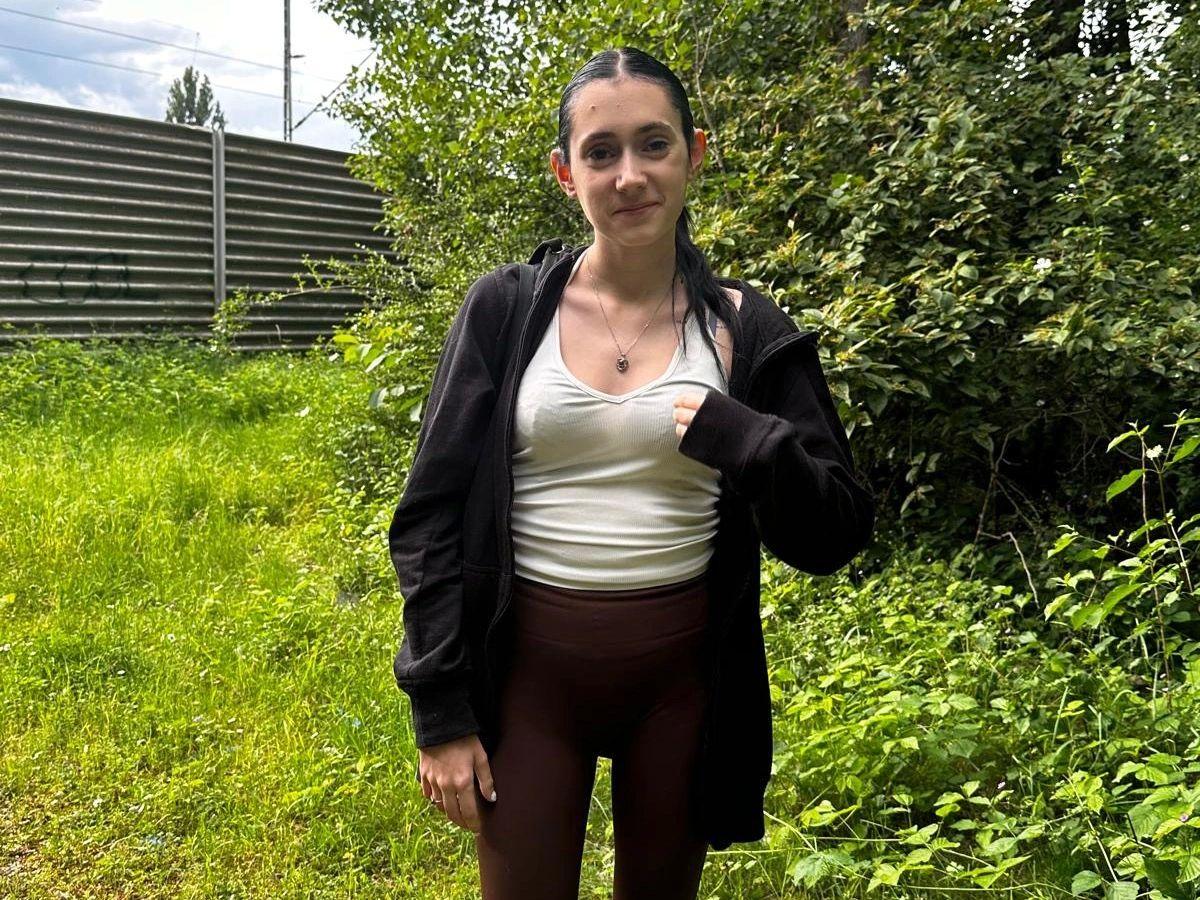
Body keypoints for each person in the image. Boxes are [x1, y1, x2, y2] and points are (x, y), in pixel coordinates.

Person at [387, 46, 875, 900]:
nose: (629, 175)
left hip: (683, 688)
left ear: (695, 153)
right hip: (528, 683)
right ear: (564, 173)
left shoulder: (745, 328)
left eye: (654, 144)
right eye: (601, 151)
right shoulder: (507, 310)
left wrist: (753, 445)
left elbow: (836, 531)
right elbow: (428, 515)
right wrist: (440, 706)